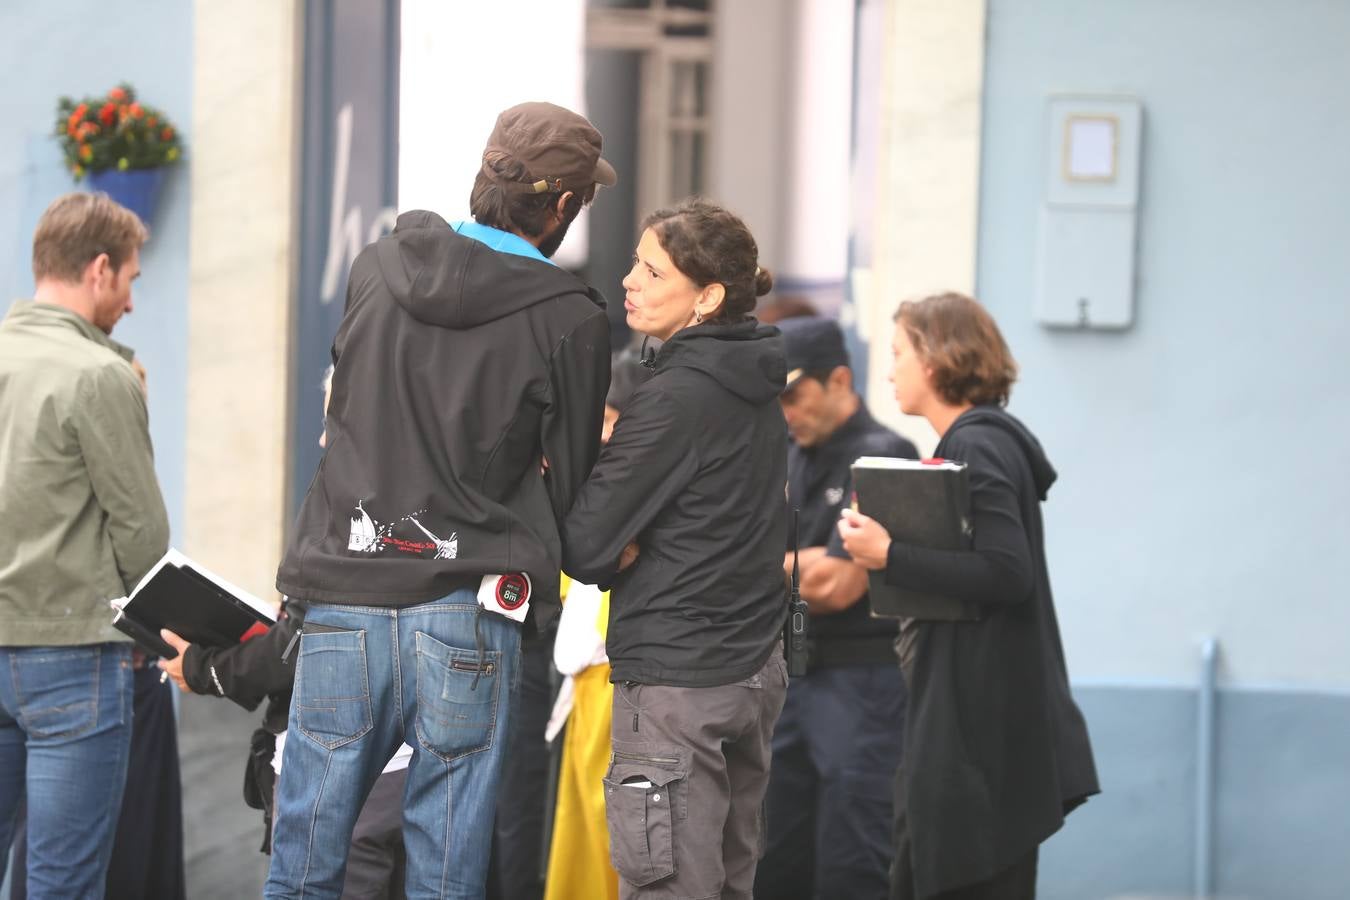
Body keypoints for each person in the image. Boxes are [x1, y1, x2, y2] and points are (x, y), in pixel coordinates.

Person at [265, 101, 615, 900]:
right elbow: (576, 489)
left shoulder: (374, 269)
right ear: (563, 205)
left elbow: (344, 413)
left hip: (342, 593)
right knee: (446, 871)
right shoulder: (569, 317)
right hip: (468, 606)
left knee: (305, 860)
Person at [836, 292, 1100, 900]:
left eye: (899, 352)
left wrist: (888, 555)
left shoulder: (975, 446)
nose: (890, 368)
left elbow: (1008, 573)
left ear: (935, 359)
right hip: (977, 715)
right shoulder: (978, 444)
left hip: (975, 728)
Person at [562, 198, 788, 900]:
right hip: (749, 671)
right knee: (723, 885)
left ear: (707, 296)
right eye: (635, 262)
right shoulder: (754, 384)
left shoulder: (674, 397)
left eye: (652, 271)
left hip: (677, 686)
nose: (630, 279)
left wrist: (622, 538)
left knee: (668, 890)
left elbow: (589, 548)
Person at [154, 364, 412, 898]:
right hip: (386, 772)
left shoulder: (352, 511)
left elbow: (305, 645)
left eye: (330, 423)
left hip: (344, 773)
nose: (321, 439)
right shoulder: (423, 505)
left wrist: (204, 669)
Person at [0, 192, 170, 896]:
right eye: (131, 278)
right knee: (61, 884)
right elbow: (144, 538)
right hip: (75, 662)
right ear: (100, 270)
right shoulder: (100, 376)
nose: (130, 301)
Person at [755, 316, 917, 900]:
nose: (786, 412)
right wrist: (799, 562)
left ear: (840, 380)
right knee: (773, 858)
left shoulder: (884, 456)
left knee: (851, 861)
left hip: (860, 688)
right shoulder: (792, 455)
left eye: (795, 395)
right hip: (792, 681)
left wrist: (757, 567)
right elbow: (807, 569)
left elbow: (837, 584)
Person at [543, 350, 647, 900]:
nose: (599, 435)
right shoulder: (595, 477)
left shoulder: (638, 479)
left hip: (620, 681)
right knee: (582, 835)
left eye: (609, 421)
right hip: (586, 686)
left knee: (614, 833)